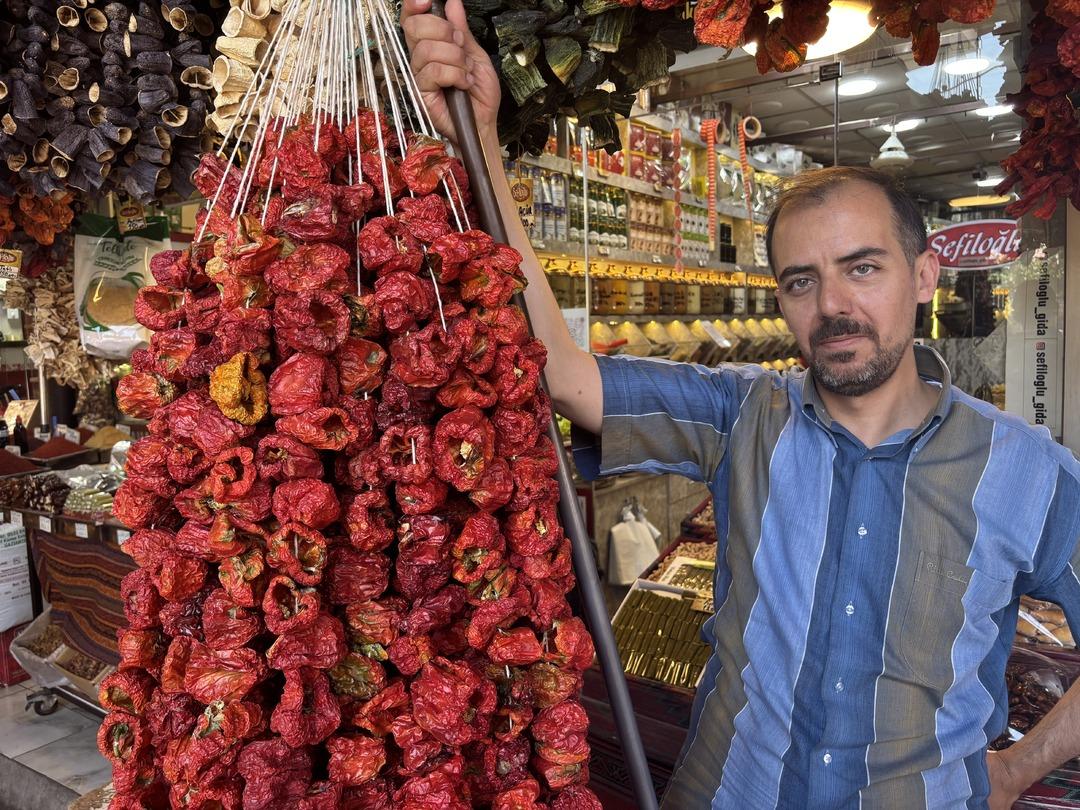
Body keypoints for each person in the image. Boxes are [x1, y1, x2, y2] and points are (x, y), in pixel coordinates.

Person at [401, 2, 1080, 807]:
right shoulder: (743, 414)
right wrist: (479, 139)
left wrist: (1014, 770)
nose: (832, 305)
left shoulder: (1026, 468)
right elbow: (560, 369)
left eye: (863, 268)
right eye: (801, 281)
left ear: (924, 276)